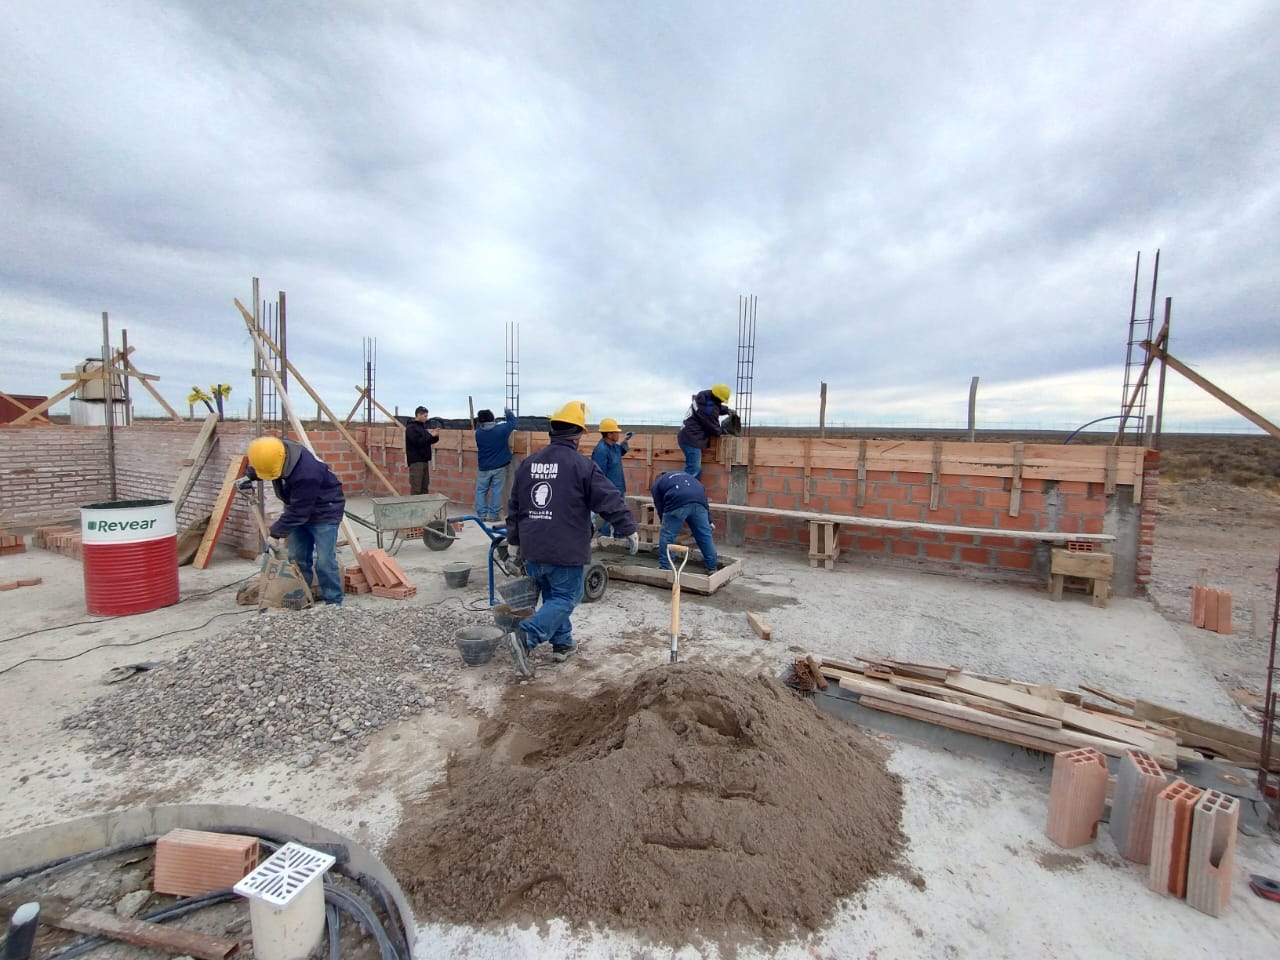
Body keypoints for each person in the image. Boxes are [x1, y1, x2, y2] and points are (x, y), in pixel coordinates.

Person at [504, 401, 639, 677]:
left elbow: (515, 505)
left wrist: (513, 541)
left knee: (553, 596)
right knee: (567, 595)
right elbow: (609, 499)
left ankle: (562, 644)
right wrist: (628, 527)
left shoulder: (529, 463)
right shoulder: (582, 466)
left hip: (532, 547)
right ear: (577, 435)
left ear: (551, 431)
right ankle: (526, 636)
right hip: (564, 548)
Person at [239, 436, 347, 606]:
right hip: (299, 507)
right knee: (297, 558)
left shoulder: (307, 473)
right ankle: (303, 596)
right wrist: (250, 476)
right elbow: (266, 466)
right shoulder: (277, 450)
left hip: (325, 510)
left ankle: (333, 602)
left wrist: (276, 533)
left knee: (325, 560)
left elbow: (299, 510)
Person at [652, 470, 719, 575]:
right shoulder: (687, 476)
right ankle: (712, 567)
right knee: (704, 535)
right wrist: (709, 521)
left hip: (677, 500)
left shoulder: (657, 483)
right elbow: (704, 501)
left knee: (667, 536)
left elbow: (659, 505)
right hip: (699, 501)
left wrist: (664, 522)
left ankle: (666, 567)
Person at [677, 383, 732, 478]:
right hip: (691, 439)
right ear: (717, 397)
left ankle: (691, 489)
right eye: (721, 400)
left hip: (687, 435)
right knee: (694, 470)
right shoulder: (708, 410)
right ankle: (687, 490)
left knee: (693, 468)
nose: (721, 402)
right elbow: (714, 429)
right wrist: (723, 431)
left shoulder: (704, 396)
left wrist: (726, 410)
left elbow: (716, 407)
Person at [474, 406, 519, 522]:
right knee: (496, 491)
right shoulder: (501, 430)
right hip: (499, 467)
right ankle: (493, 516)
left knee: (481, 491)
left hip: (483, 467)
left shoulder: (478, 433)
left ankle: (482, 515)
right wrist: (508, 412)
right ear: (492, 418)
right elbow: (513, 423)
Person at [590, 417, 633, 537]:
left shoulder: (614, 447)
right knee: (606, 520)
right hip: (608, 491)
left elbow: (621, 451)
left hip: (618, 489)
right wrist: (603, 492)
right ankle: (604, 542)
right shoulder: (601, 450)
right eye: (616, 432)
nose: (618, 434)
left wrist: (625, 441)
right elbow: (599, 474)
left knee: (619, 517)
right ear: (609, 434)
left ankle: (619, 539)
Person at [405, 406, 440, 495]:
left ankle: (423, 508)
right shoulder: (411, 428)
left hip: (424, 461)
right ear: (418, 415)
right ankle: (415, 508)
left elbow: (428, 440)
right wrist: (431, 436)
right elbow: (418, 442)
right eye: (425, 416)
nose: (426, 418)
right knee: (416, 488)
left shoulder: (421, 427)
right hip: (416, 462)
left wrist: (435, 436)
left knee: (424, 488)